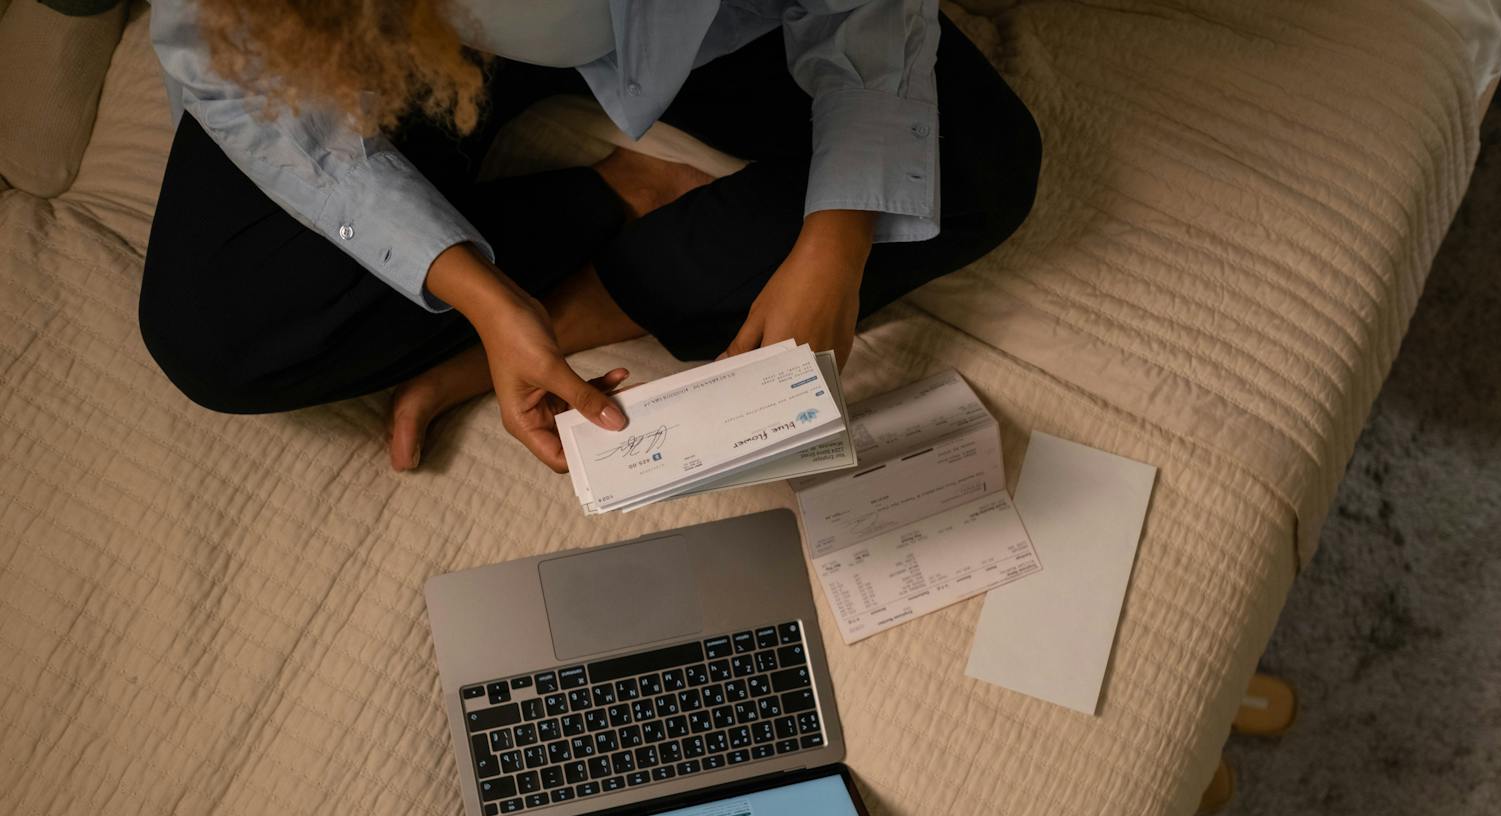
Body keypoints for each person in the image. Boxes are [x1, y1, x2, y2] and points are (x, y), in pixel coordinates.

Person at [139, 0, 1041, 473]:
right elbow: (229, 77)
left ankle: (576, 308)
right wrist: (479, 296)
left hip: (696, 21)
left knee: (973, 163)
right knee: (212, 330)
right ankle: (608, 200)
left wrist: (837, 241)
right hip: (398, 43)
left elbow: (866, 11)